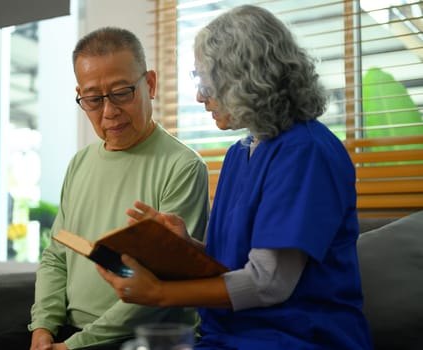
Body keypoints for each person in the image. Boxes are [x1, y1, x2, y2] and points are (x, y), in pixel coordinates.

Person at [97, 5, 373, 350]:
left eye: (205, 82)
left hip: (297, 339)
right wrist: (187, 247)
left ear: (246, 78)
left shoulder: (307, 152)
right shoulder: (239, 155)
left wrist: (159, 293)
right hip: (229, 337)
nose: (200, 97)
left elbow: (269, 282)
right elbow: (238, 265)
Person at [28, 27, 209, 350]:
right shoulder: (79, 164)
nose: (109, 112)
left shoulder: (182, 166)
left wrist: (74, 346)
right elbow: (58, 254)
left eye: (122, 92)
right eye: (93, 99)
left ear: (150, 84)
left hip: (144, 338)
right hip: (72, 335)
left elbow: (157, 287)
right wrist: (42, 330)